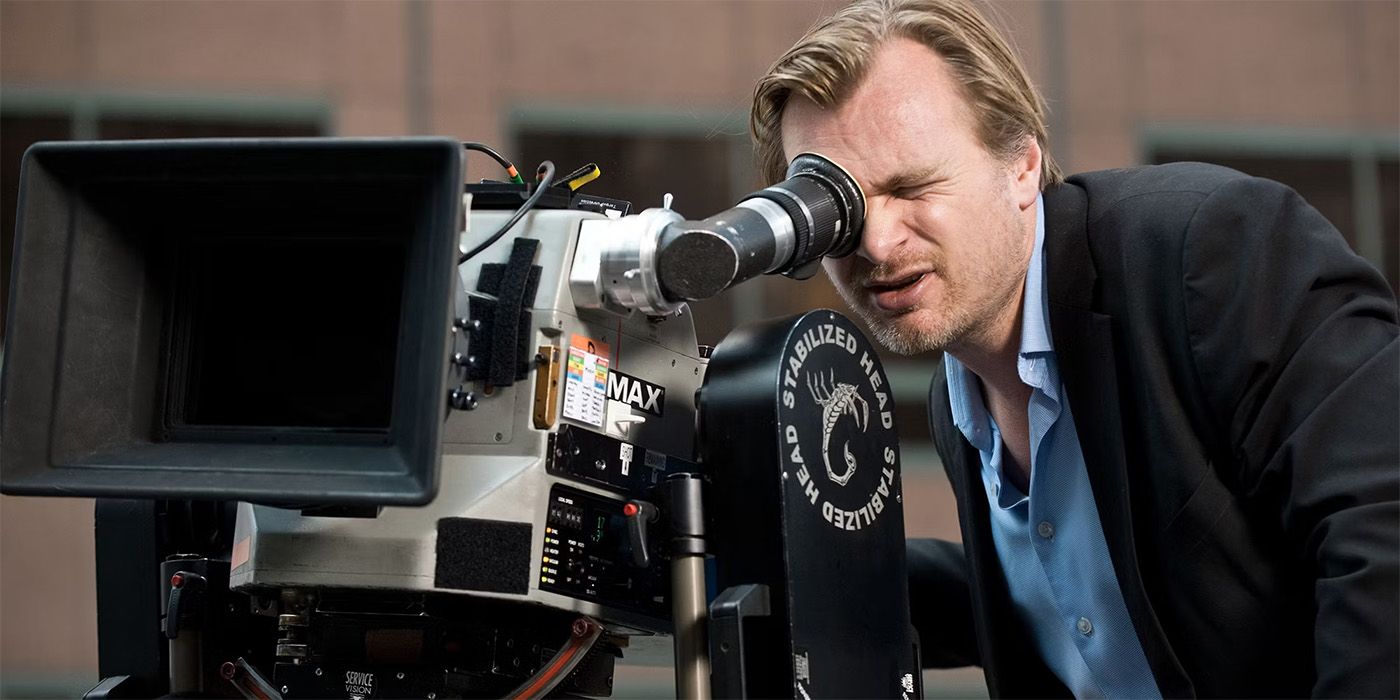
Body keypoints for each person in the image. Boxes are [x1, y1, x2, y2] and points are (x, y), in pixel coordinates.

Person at [749, 0, 1400, 696]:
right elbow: (1071, 591)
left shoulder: (1208, 250)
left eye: (912, 186)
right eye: (840, 207)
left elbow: (1380, 524)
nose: (877, 243)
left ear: (1022, 166)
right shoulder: (957, 394)